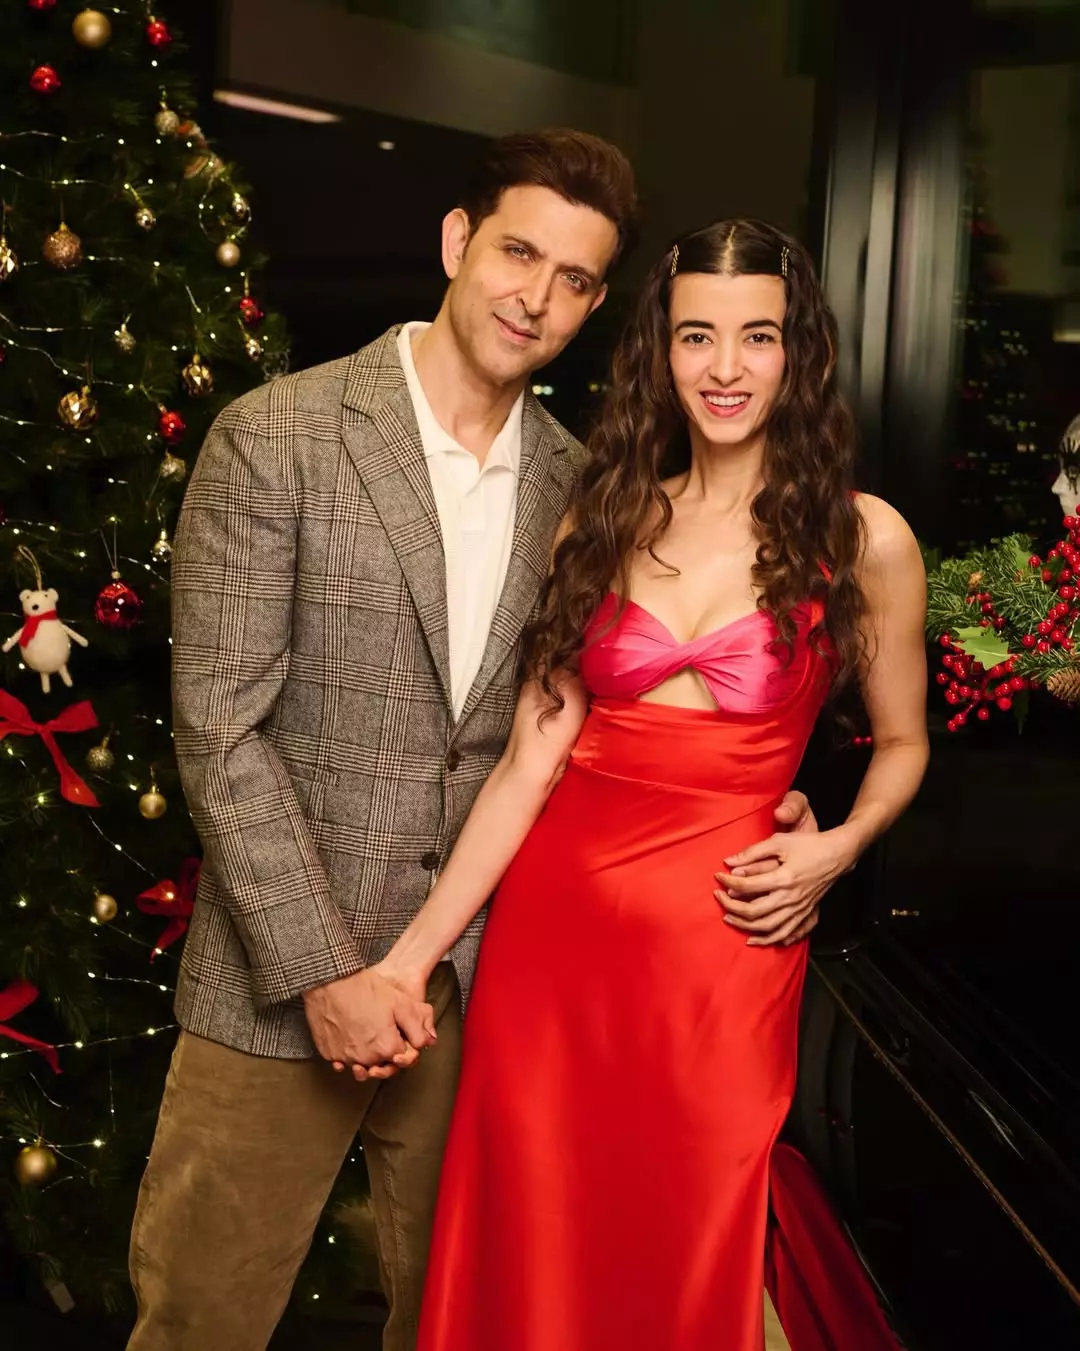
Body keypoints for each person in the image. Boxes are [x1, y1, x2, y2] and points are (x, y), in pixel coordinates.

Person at [126, 136, 816, 1351]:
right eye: (517, 253)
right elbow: (220, 734)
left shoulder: (588, 490)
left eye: (575, 279)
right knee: (200, 1322)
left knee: (466, 1321)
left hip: (494, 992)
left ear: (597, 307)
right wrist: (327, 974)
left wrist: (782, 808)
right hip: (281, 986)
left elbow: (599, 722)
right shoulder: (279, 434)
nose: (535, 296)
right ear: (457, 242)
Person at [366, 219, 931, 1351]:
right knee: (539, 1225)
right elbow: (529, 762)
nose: (725, 368)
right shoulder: (608, 516)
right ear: (660, 353)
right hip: (553, 949)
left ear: (799, 353)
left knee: (688, 1224)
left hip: (723, 951)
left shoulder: (864, 537)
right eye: (696, 337)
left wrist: (839, 844)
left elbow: (905, 741)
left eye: (757, 336)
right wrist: (407, 959)